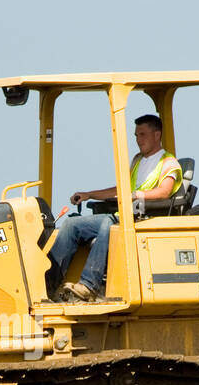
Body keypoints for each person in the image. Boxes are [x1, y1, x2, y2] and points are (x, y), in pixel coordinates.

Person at [46, 114, 182, 302]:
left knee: (108, 224)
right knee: (71, 225)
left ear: (157, 135)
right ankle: (47, 286)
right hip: (123, 215)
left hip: (145, 218)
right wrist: (89, 194)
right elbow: (121, 189)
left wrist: (135, 195)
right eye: (136, 135)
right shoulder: (138, 161)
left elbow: (164, 192)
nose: (138, 140)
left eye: (142, 135)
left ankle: (89, 285)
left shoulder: (169, 163)